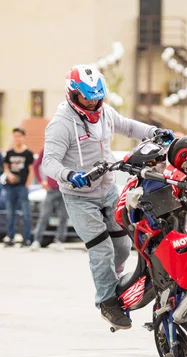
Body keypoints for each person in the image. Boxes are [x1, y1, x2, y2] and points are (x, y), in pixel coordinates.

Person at [43, 64, 174, 330]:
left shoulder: (104, 113)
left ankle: (113, 283)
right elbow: (49, 162)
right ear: (73, 95)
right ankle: (106, 301)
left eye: (96, 97)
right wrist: (68, 175)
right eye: (85, 97)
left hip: (109, 189)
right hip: (79, 196)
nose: (91, 102)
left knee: (124, 246)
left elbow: (127, 126)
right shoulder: (61, 124)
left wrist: (154, 132)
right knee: (101, 249)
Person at [31, 148, 69, 251]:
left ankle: (60, 241)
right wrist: (41, 181)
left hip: (65, 189)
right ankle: (37, 240)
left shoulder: (67, 148)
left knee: (63, 216)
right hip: (51, 189)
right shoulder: (47, 149)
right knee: (44, 215)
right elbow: (35, 165)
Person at [3, 128, 34, 247]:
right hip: (10, 187)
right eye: (15, 136)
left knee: (26, 213)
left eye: (19, 136)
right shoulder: (10, 152)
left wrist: (28, 184)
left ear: (23, 137)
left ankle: (26, 238)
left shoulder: (28, 153)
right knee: (10, 213)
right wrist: (9, 174)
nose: (17, 138)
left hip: (22, 186)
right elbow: (6, 167)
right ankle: (10, 237)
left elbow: (31, 170)